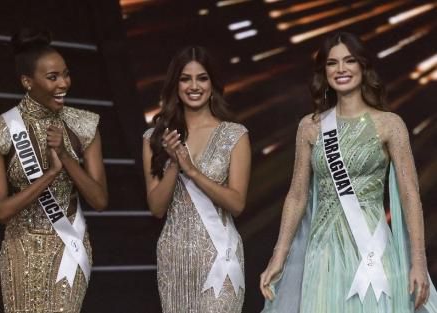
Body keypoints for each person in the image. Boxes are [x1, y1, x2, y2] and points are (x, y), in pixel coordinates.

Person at [260, 32, 437, 313]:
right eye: (332, 63)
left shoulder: (390, 124)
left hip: (372, 249)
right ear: (324, 72)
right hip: (322, 253)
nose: (341, 69)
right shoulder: (311, 126)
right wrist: (278, 256)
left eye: (349, 61)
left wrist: (418, 261)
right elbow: (296, 195)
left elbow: (410, 194)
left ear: (363, 67)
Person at [0, 29, 108, 313]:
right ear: (27, 81)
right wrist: (49, 174)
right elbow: (0, 211)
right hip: (19, 249)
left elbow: (99, 200)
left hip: (69, 247)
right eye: (53, 77)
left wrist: (65, 157)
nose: (64, 83)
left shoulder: (85, 125)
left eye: (66, 74)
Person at [142, 46, 251, 312]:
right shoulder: (154, 138)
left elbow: (236, 204)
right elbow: (157, 208)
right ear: (175, 86)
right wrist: (172, 166)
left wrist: (191, 171)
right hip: (174, 258)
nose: (194, 86)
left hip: (219, 257)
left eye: (202, 78)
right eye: (185, 78)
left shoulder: (234, 135)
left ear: (212, 84)